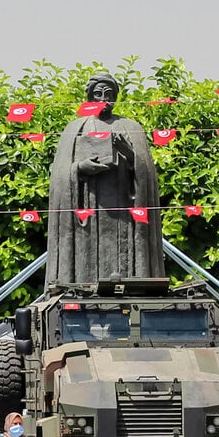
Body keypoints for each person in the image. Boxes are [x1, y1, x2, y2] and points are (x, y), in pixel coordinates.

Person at [45, 72, 165, 287]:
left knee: (124, 267)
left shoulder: (131, 127)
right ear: (90, 97)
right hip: (87, 216)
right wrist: (80, 168)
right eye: (98, 94)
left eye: (108, 94)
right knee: (85, 268)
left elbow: (147, 175)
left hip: (124, 216)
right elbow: (59, 178)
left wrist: (129, 154)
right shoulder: (75, 128)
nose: (103, 100)